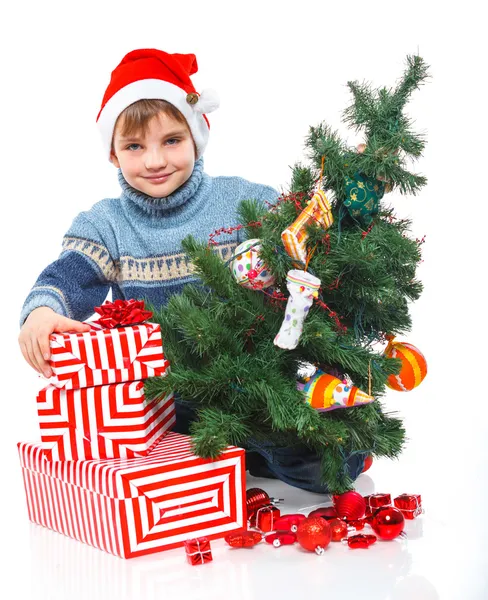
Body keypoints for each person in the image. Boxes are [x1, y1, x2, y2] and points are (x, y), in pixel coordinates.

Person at [18, 48, 365, 493]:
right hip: (168, 400)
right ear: (113, 154)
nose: (155, 161)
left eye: (171, 141)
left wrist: (349, 190)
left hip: (250, 380)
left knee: (330, 470)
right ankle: (225, 459)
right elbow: (68, 275)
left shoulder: (243, 203)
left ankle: (261, 449)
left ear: (196, 136)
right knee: (159, 462)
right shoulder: (105, 225)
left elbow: (305, 232)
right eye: (134, 146)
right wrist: (42, 311)